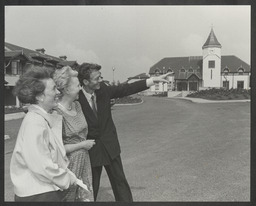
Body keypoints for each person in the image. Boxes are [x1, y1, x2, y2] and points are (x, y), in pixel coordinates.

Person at [77, 62, 171, 201]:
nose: (101, 80)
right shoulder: (76, 97)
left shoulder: (103, 89)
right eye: (97, 78)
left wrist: (152, 81)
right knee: (91, 188)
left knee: (120, 184)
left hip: (110, 146)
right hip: (92, 150)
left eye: (100, 77)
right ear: (85, 81)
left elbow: (126, 89)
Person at [10, 67, 77, 202]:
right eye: (53, 89)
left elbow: (51, 155)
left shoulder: (39, 119)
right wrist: (67, 178)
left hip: (41, 192)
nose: (58, 92)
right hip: (38, 195)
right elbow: (42, 165)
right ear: (40, 96)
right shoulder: (34, 123)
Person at [53, 66, 95, 202]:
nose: (80, 89)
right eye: (77, 85)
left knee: (86, 198)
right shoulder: (56, 113)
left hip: (84, 161)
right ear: (66, 89)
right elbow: (57, 149)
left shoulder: (77, 105)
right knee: (68, 199)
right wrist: (82, 144)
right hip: (69, 166)